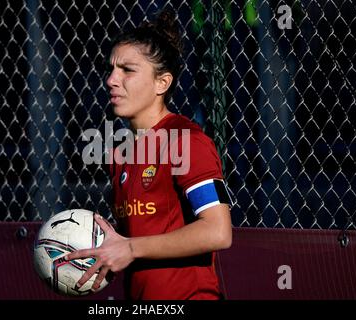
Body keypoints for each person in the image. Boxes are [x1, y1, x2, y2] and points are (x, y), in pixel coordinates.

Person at [66, 8, 233, 300]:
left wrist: (130, 247)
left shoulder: (187, 141)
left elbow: (217, 231)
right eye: (111, 69)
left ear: (162, 83)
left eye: (127, 70)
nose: (111, 80)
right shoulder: (120, 153)